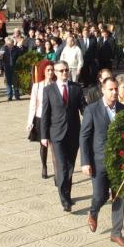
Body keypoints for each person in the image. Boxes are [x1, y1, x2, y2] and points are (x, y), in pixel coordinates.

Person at [80, 77, 124, 247]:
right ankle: (93, 211)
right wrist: (85, 162)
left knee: (120, 196)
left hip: (120, 164)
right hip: (99, 162)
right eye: (111, 89)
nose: (115, 92)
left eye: (116, 89)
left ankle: (116, 233)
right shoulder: (92, 110)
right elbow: (84, 136)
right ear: (103, 90)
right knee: (100, 195)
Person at [40, 61, 86, 212]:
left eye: (66, 70)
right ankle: (64, 199)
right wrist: (44, 136)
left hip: (73, 133)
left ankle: (68, 193)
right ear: (55, 72)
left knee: (71, 166)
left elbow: (84, 109)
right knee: (62, 167)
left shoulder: (76, 88)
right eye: (61, 71)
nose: (64, 73)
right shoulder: (49, 90)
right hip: (56, 134)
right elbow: (45, 114)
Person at [27, 60, 55, 179]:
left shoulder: (56, 84)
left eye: (52, 70)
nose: (50, 72)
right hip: (40, 117)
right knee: (43, 144)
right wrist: (29, 122)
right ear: (43, 71)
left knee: (55, 145)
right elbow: (33, 105)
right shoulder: (37, 86)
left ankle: (57, 169)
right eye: (48, 70)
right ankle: (44, 166)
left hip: (54, 118)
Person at [0, 37, 22, 101]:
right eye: (8, 44)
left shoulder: (16, 49)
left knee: (15, 82)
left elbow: (20, 57)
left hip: (15, 68)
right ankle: (9, 96)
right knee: (8, 83)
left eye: (11, 43)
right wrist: (0, 68)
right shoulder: (2, 48)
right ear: (6, 43)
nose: (9, 45)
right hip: (6, 68)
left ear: (13, 43)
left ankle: (17, 96)